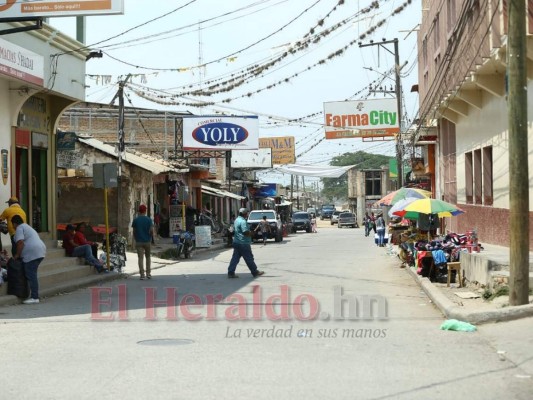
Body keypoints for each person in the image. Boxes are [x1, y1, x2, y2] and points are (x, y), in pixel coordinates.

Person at [12, 214, 46, 304]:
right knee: (32, 274)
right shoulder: (27, 226)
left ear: (14, 224)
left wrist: (17, 255)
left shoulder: (19, 228)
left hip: (33, 253)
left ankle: (35, 297)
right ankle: (33, 295)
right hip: (40, 250)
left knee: (31, 275)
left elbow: (20, 243)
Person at [227, 208, 265, 278]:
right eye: (246, 213)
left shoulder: (236, 220)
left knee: (235, 258)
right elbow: (245, 232)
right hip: (243, 243)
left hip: (237, 242)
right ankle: (255, 271)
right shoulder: (243, 221)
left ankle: (231, 272)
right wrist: (251, 233)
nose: (247, 214)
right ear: (244, 214)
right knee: (249, 258)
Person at [132, 204, 154, 280]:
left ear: (139, 211)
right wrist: (150, 237)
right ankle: (148, 273)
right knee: (148, 257)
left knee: (140, 258)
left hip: (139, 241)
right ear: (145, 211)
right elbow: (151, 231)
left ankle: (142, 274)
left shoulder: (135, 220)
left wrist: (136, 239)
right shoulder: (149, 220)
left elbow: (134, 232)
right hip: (147, 241)